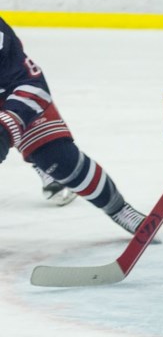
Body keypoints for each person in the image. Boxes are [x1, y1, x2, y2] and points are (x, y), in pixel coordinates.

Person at [0, 17, 150, 234]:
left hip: (10, 94)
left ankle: (118, 209)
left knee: (58, 158)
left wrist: (6, 126)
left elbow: (32, 85)